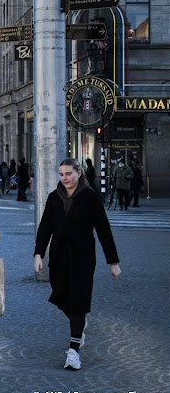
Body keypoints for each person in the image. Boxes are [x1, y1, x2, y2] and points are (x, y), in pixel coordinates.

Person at [34, 158, 120, 370]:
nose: (65, 178)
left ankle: (73, 350)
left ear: (79, 173)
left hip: (83, 257)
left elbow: (104, 230)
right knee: (61, 296)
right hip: (58, 257)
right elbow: (45, 228)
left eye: (68, 174)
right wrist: (38, 254)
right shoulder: (54, 198)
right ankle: (78, 322)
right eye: (61, 174)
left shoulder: (91, 198)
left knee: (78, 301)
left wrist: (113, 261)